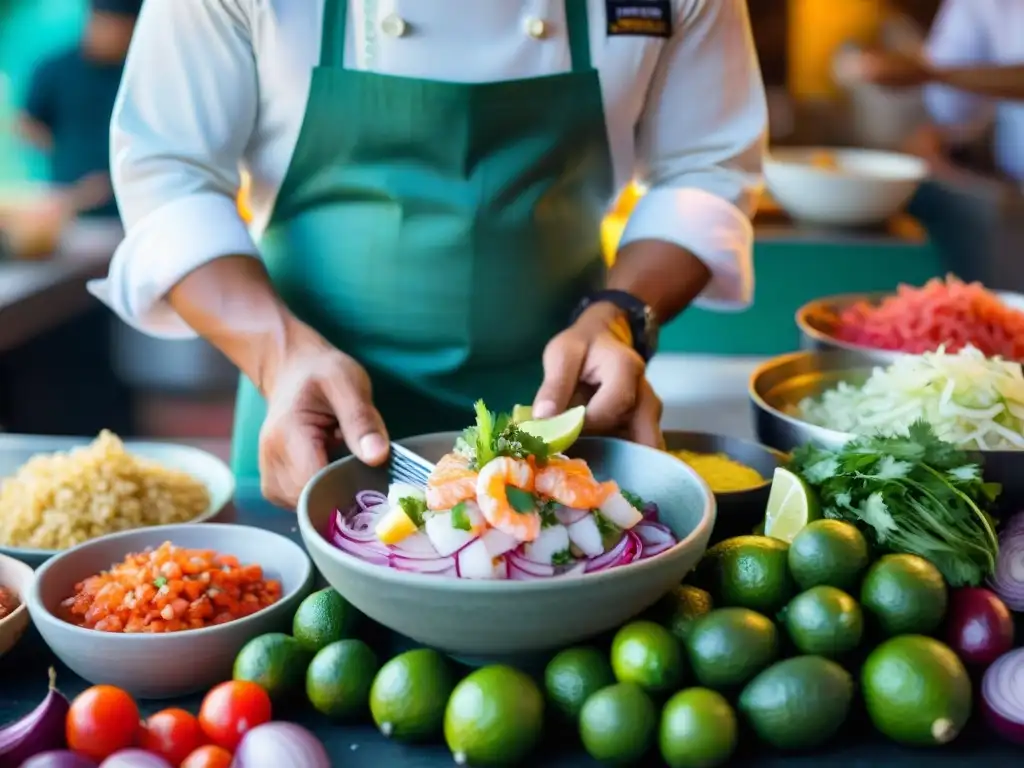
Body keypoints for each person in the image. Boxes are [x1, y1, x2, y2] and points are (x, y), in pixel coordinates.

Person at [89, 0, 767, 508]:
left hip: (567, 420)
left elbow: (705, 168)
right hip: (308, 413)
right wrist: (277, 355)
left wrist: (618, 316)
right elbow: (168, 174)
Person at [844, 0, 1024, 180]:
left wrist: (931, 74)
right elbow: (953, 109)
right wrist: (940, 133)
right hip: (1013, 180)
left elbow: (937, 72)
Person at [18, 0, 142, 220]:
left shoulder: (139, 74)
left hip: (132, 205)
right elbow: (27, 121)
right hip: (69, 204)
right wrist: (65, 153)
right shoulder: (56, 68)